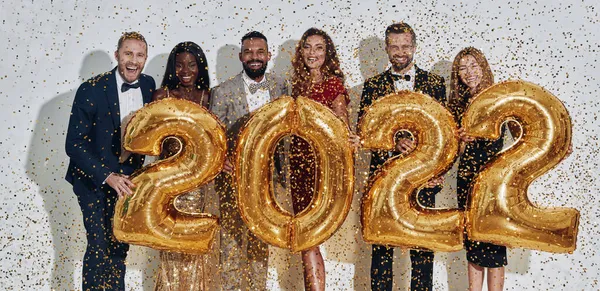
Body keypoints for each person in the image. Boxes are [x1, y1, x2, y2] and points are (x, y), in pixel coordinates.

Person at [358, 22, 446, 291]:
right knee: (382, 248)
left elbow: (446, 133)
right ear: (386, 48)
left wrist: (439, 171)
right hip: (384, 180)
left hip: (423, 179)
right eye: (394, 46)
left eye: (405, 46)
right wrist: (394, 141)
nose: (400, 51)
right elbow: (365, 132)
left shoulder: (435, 83)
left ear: (414, 47)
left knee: (422, 248)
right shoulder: (372, 85)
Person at [65, 31, 155, 291]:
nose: (133, 60)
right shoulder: (91, 89)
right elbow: (74, 144)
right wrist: (108, 175)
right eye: (128, 53)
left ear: (145, 58)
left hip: (128, 183)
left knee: (119, 245)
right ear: (117, 56)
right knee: (98, 246)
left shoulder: (149, 86)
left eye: (139, 55)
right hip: (91, 180)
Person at [209, 31, 289, 290]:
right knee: (231, 245)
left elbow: (287, 134)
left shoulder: (281, 87)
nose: (254, 57)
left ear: (268, 55)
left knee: (260, 244)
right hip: (233, 180)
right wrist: (220, 161)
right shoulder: (221, 91)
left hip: (268, 181)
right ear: (241, 56)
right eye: (249, 52)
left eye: (259, 52)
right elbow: (213, 135)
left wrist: (284, 174)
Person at [290, 27, 359, 291]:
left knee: (311, 236)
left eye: (319, 48)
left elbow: (342, 125)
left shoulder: (333, 84)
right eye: (308, 47)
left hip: (321, 168)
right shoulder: (296, 85)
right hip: (298, 167)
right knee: (305, 238)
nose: (312, 53)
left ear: (327, 53)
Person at [449, 47, 517, 291]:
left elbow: (524, 134)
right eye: (463, 69)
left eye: (474, 66)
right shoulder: (457, 104)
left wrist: (555, 146)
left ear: (483, 67)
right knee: (474, 242)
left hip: (493, 179)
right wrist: (460, 141)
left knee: (494, 241)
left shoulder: (500, 98)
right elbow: (452, 153)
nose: (469, 73)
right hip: (467, 178)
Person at [151, 41, 211, 291]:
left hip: (201, 187)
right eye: (179, 65)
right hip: (170, 187)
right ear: (172, 68)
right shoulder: (161, 96)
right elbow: (153, 143)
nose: (185, 70)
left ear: (200, 67)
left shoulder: (209, 96)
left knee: (196, 250)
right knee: (171, 249)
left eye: (191, 64)